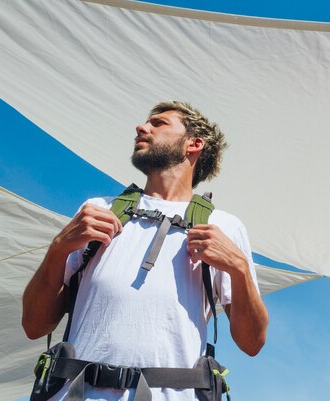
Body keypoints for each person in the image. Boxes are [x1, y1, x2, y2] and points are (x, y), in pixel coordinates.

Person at [22, 101, 269, 401]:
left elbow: (252, 343)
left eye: (159, 123)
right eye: (146, 123)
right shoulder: (98, 210)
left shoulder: (223, 226)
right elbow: (34, 326)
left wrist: (239, 269)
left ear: (194, 144)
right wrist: (59, 248)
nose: (142, 127)